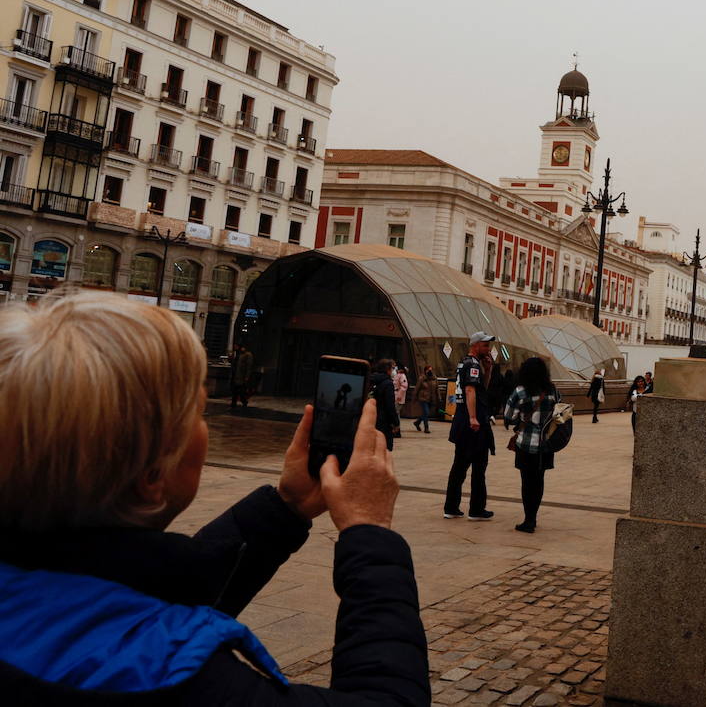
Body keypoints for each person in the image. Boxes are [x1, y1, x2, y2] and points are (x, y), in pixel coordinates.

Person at [0, 292, 428, 704]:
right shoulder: (177, 682)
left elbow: (135, 595)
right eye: (198, 412)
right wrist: (369, 532)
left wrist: (285, 508)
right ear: (153, 473)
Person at [444, 332, 497, 520]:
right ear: (475, 345)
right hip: (472, 424)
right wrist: (473, 418)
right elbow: (470, 390)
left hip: (461, 422)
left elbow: (480, 388)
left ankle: (451, 507)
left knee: (459, 465)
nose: (488, 349)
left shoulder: (465, 363)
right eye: (485, 345)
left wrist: (488, 371)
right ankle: (476, 509)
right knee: (479, 465)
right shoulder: (473, 364)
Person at [504, 356, 560, 533]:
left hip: (526, 445)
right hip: (546, 444)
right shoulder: (552, 390)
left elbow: (509, 415)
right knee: (539, 480)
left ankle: (529, 520)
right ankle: (533, 517)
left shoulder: (521, 391)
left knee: (527, 482)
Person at [369, 359, 399, 451]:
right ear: (387, 369)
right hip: (383, 422)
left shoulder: (372, 380)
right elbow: (390, 406)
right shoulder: (388, 384)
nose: (394, 371)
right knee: (384, 449)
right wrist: (395, 422)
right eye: (392, 368)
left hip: (371, 418)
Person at [413, 365, 436, 433]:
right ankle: (426, 428)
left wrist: (439, 397)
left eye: (431, 370)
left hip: (431, 398)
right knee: (426, 412)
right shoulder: (422, 378)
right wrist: (414, 398)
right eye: (429, 370)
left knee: (425, 413)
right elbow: (417, 388)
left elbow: (437, 388)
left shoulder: (434, 378)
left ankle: (417, 422)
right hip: (423, 398)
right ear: (425, 370)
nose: (430, 371)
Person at [230, 344, 254, 408]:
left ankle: (244, 401)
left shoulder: (247, 354)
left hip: (241, 376)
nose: (235, 347)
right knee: (234, 391)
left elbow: (249, 366)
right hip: (236, 375)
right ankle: (233, 404)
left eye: (236, 346)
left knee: (241, 391)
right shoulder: (237, 354)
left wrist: (247, 376)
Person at [393, 364, 410, 430]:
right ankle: (396, 428)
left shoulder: (402, 376)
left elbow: (404, 386)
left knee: (396, 413)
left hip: (398, 396)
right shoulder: (397, 375)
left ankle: (397, 429)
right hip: (396, 395)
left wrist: (399, 395)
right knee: (396, 413)